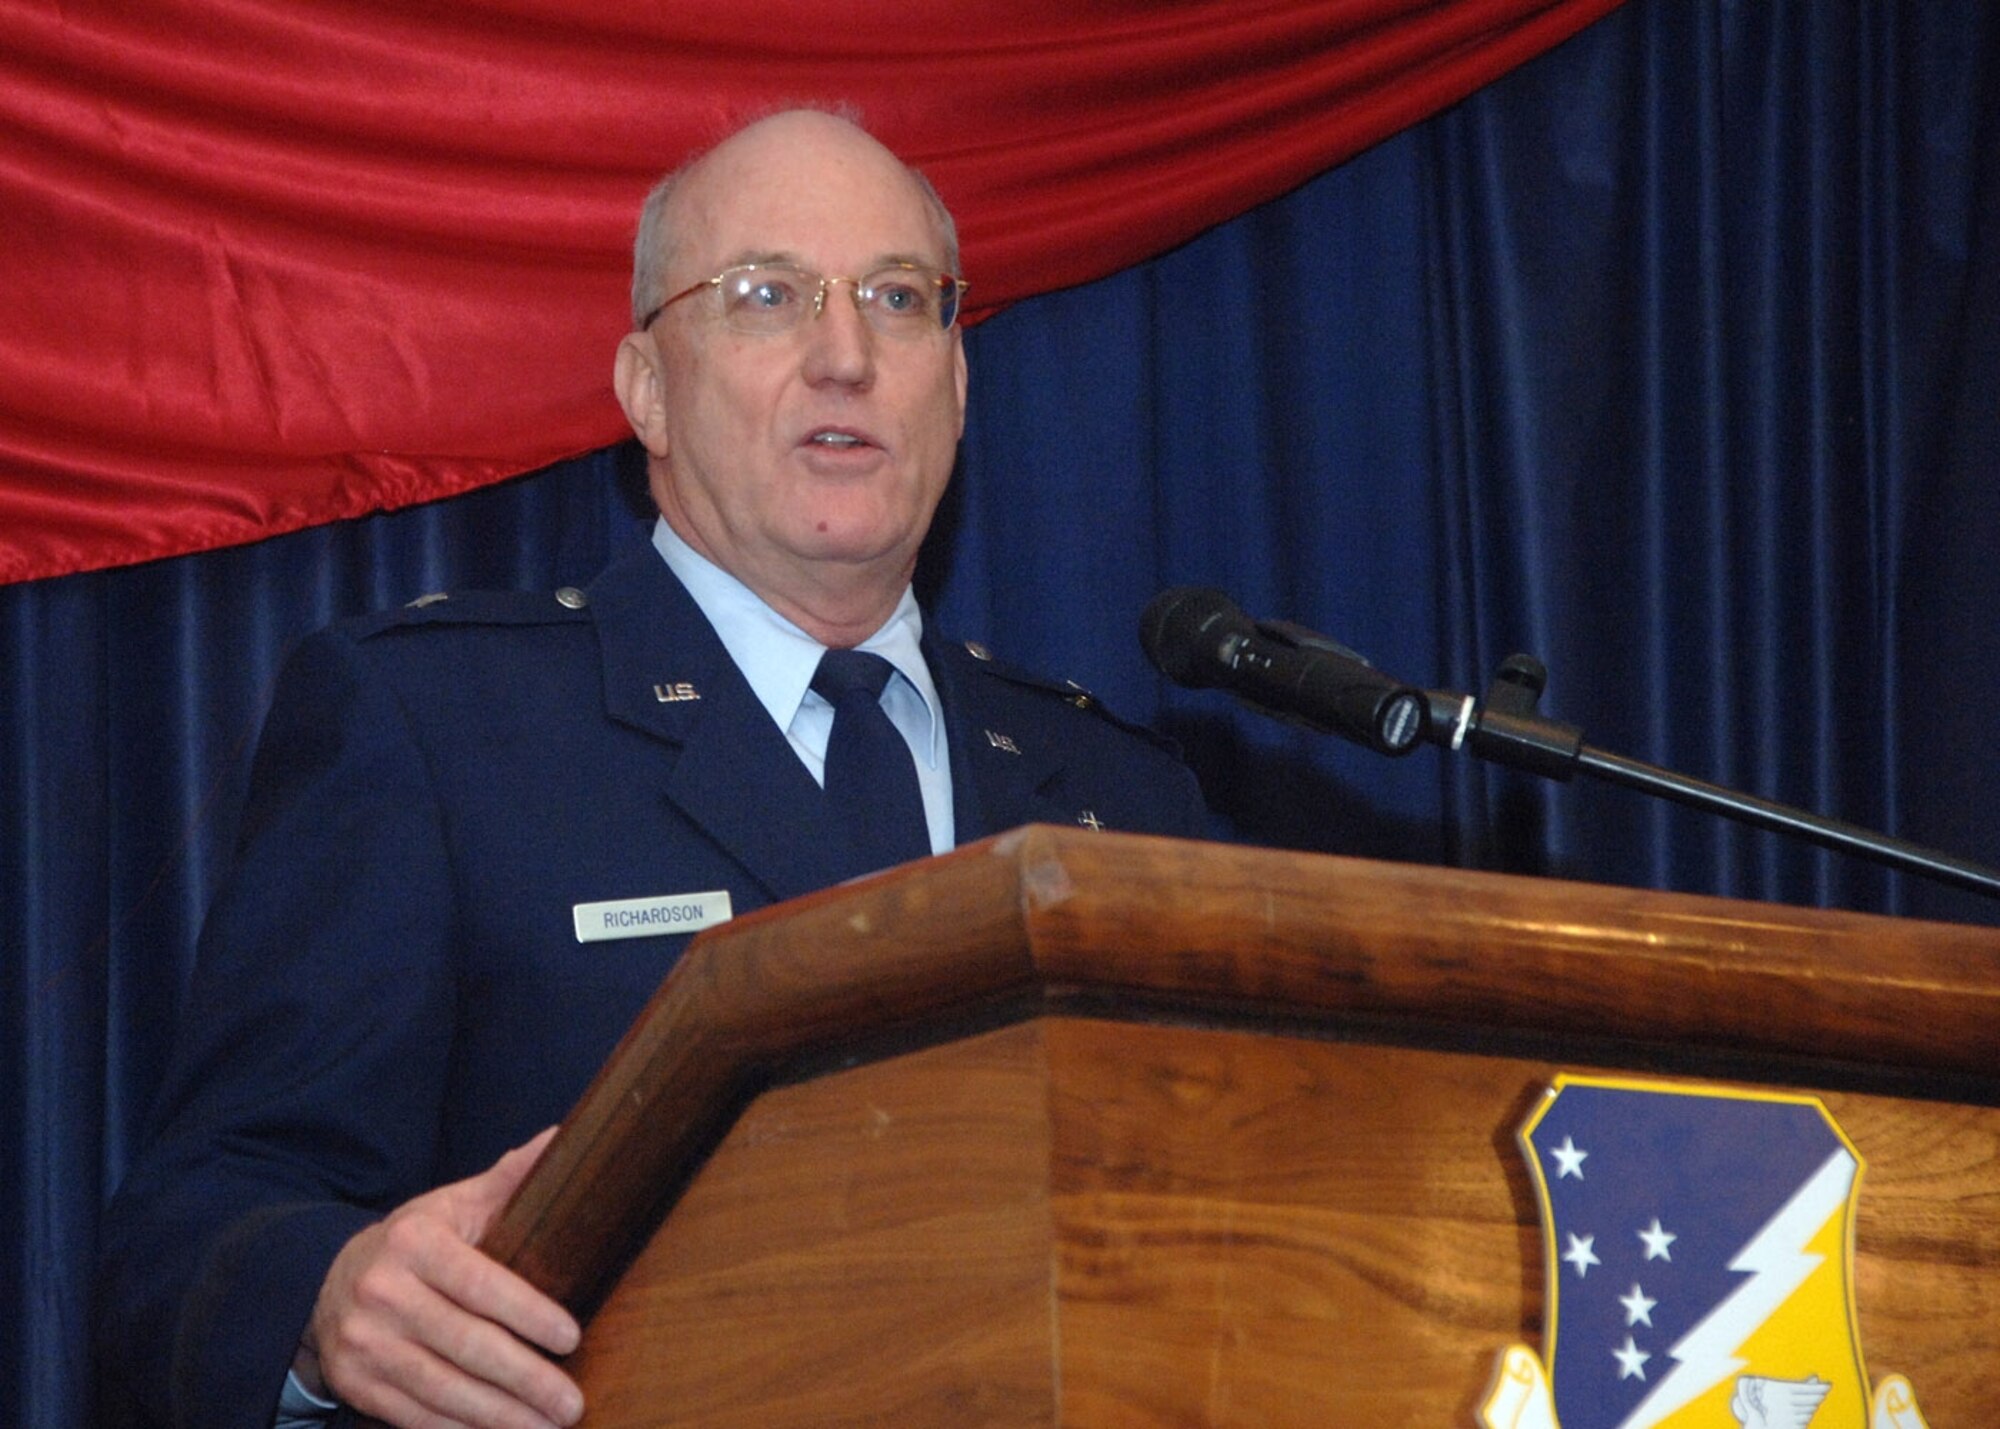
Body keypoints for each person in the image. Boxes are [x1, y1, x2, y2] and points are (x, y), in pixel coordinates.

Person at [96, 108, 1206, 1429]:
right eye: (766, 296)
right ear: (647, 391)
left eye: (899, 300)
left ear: (957, 388)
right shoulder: (441, 724)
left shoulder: (1122, 791)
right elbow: (185, 1239)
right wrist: (328, 1298)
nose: (846, 355)